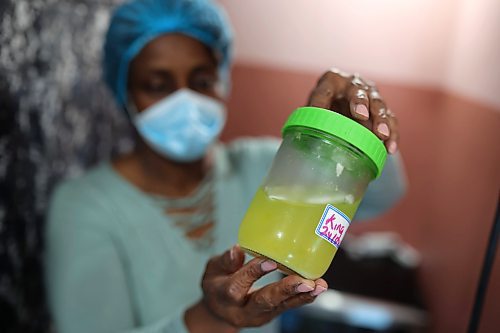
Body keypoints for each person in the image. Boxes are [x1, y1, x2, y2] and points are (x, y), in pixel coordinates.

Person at [45, 0, 406, 332]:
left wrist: (355, 135)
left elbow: (384, 194)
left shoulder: (270, 168)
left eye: (202, 81)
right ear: (125, 93)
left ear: (223, 79)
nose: (184, 99)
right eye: (157, 85)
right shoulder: (84, 207)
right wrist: (210, 319)